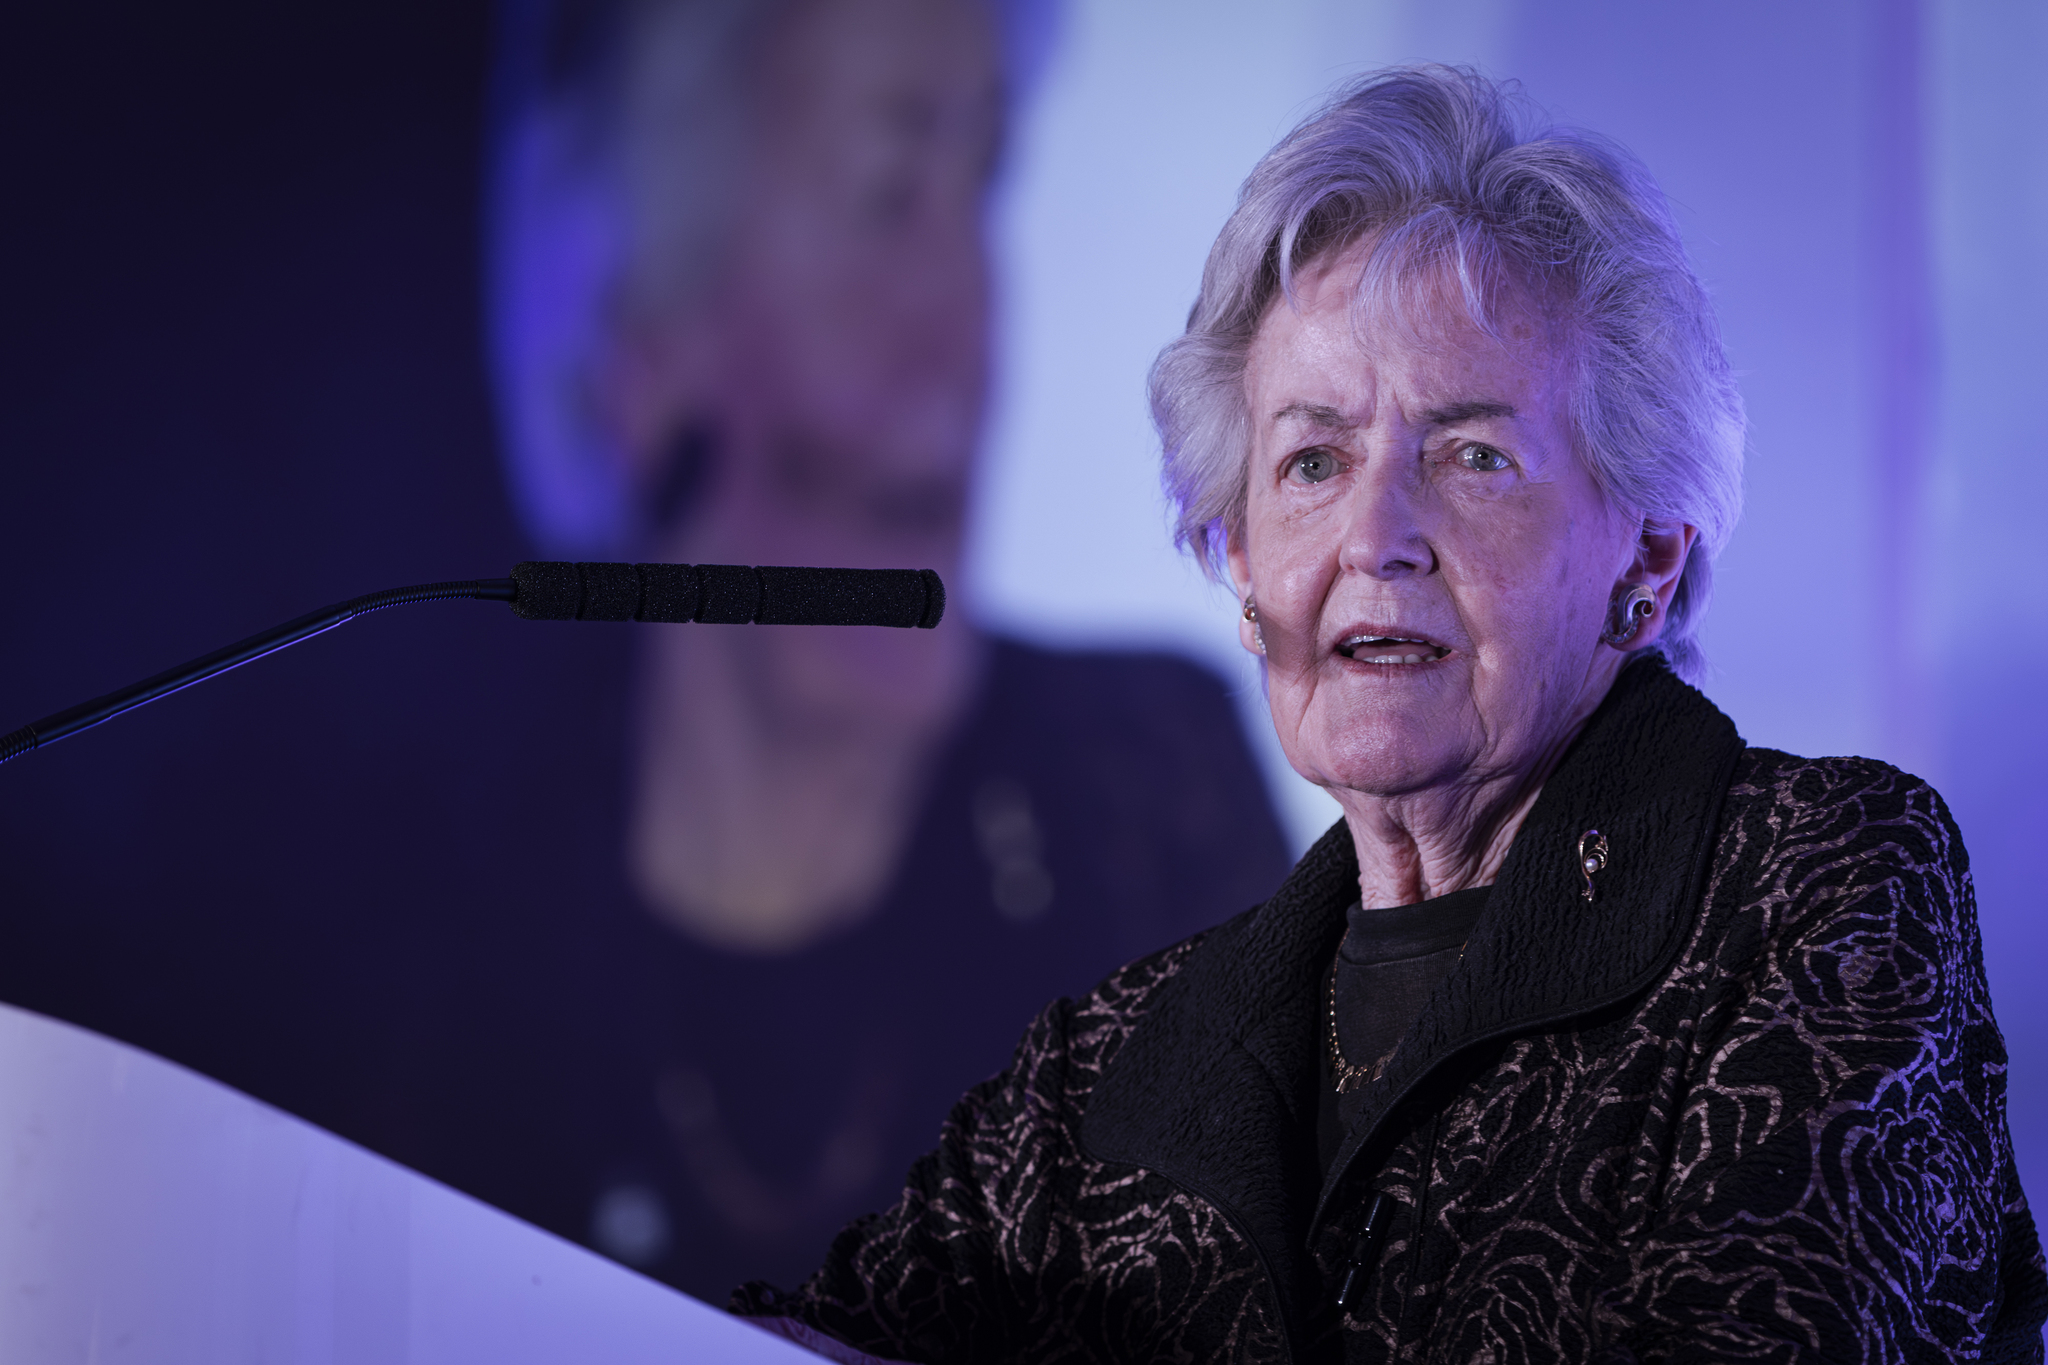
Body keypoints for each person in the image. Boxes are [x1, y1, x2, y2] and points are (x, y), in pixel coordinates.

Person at [733, 67, 2048, 1361]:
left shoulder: (1818, 883)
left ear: (1647, 559)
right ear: (1242, 563)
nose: (1376, 536)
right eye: (1312, 461)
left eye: (1474, 456)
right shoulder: (1108, 1062)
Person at [478, 0, 1291, 1299]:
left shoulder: (1150, 801)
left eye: (981, 187)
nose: (965, 315)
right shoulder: (421, 891)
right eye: (884, 192)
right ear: (638, 335)